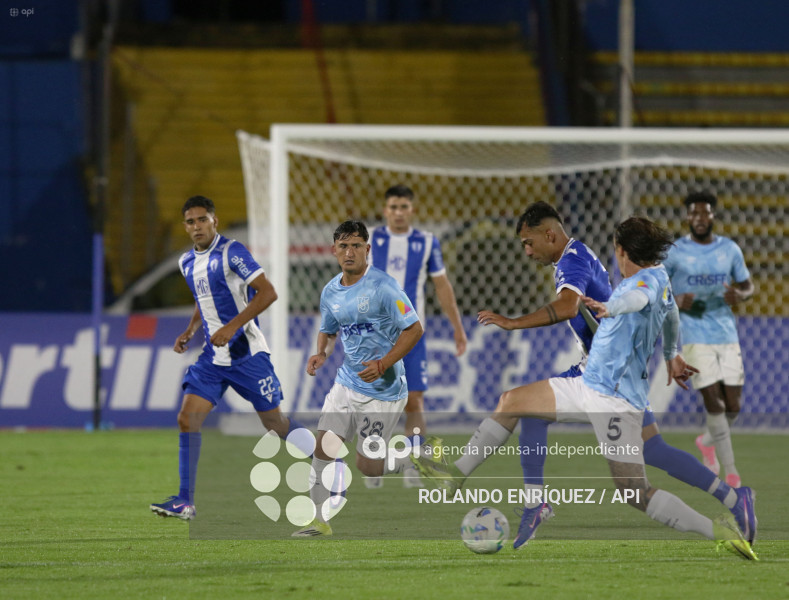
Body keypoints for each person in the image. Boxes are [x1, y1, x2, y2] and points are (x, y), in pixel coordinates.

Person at [413, 216, 757, 560]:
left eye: (529, 243)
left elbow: (575, 306)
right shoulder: (651, 275)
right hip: (606, 374)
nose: (528, 251)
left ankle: (719, 525)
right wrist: (671, 354)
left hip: (608, 389)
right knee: (527, 407)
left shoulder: (588, 266)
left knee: (635, 491)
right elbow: (669, 313)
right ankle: (732, 499)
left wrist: (513, 322)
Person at [150, 195, 310, 520]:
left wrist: (232, 326)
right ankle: (185, 501)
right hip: (213, 358)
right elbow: (203, 296)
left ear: (214, 220)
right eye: (191, 222)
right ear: (185, 226)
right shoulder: (185, 262)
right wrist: (191, 329)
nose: (197, 227)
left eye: (202, 220)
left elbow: (268, 292)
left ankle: (330, 460)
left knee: (275, 424)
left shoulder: (232, 252)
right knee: (187, 419)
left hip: (246, 354)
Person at [293, 220, 424, 537]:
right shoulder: (330, 291)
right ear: (334, 250)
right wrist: (321, 353)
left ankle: (412, 457)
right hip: (346, 383)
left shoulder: (384, 286)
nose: (349, 252)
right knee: (323, 448)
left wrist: (383, 363)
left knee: (368, 466)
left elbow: (415, 328)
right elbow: (328, 329)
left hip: (384, 391)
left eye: (356, 246)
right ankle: (319, 522)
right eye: (343, 246)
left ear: (367, 249)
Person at [368, 184, 468, 488]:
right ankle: (375, 461)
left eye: (404, 207)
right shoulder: (370, 238)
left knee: (414, 400)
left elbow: (441, 286)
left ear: (412, 210)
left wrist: (457, 326)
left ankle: (413, 462)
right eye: (393, 207)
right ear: (385, 210)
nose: (398, 213)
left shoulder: (426, 242)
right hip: (377, 333)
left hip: (413, 333)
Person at [664, 191, 754, 488]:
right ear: (687, 217)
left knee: (734, 406)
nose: (699, 219)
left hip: (726, 334)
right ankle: (731, 473)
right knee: (713, 403)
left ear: (712, 216)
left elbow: (747, 284)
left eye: (704, 213)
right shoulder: (675, 252)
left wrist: (740, 294)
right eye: (693, 213)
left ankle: (706, 441)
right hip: (694, 336)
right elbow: (656, 288)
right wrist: (676, 299)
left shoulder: (729, 250)